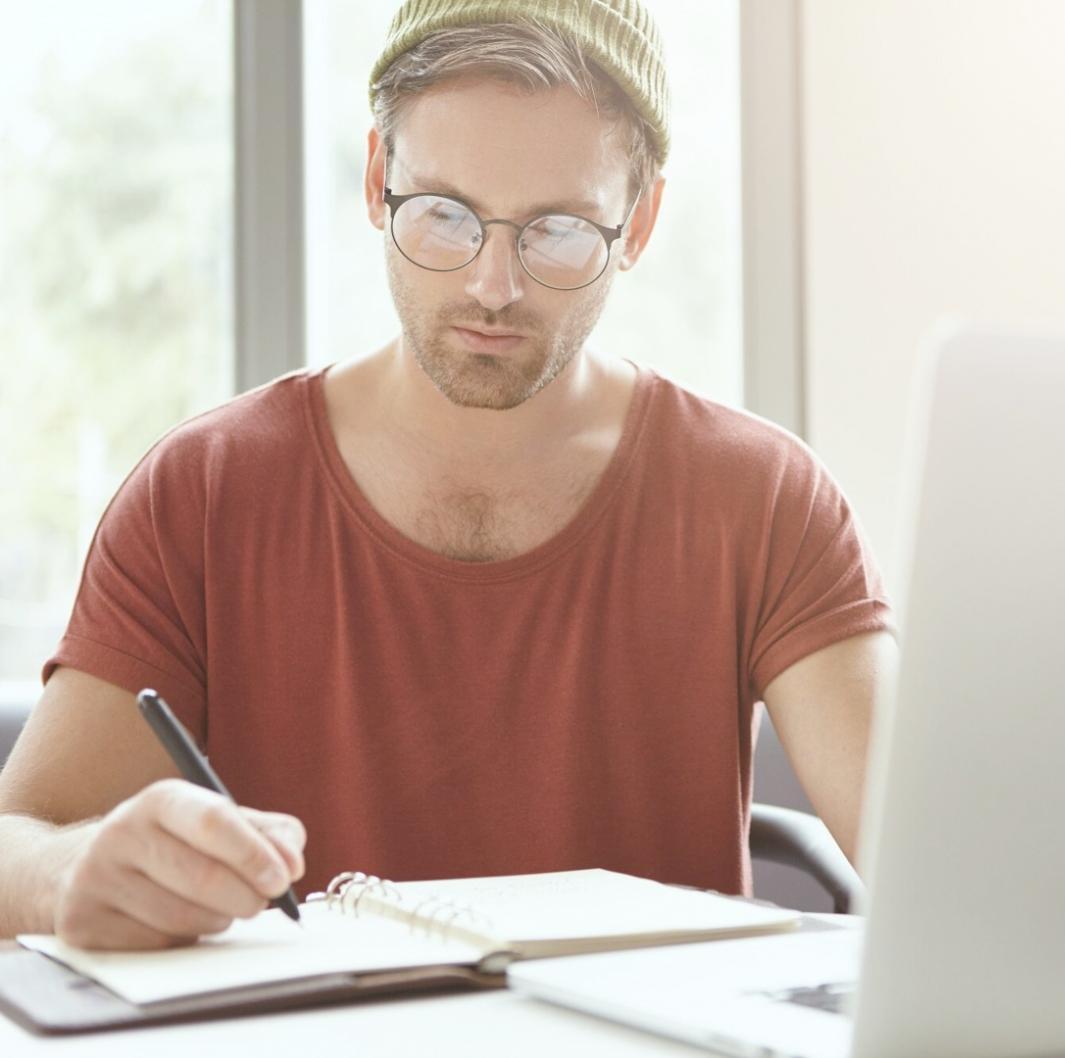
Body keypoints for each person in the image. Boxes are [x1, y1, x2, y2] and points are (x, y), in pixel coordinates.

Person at [0, 0, 893, 950]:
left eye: (557, 231)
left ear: (638, 223)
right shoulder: (204, 490)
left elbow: (928, 847)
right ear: (377, 179)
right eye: (444, 216)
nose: (491, 286)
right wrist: (67, 873)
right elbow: (17, 844)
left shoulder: (762, 498)